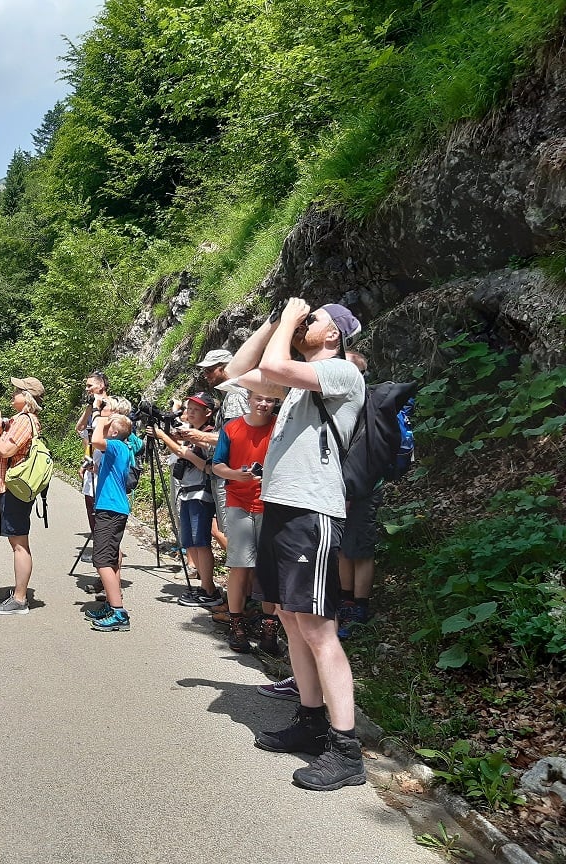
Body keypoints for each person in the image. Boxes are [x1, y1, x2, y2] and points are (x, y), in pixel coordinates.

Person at [225, 299, 367, 791]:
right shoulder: (297, 381)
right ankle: (310, 721)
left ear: (336, 334)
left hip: (313, 511)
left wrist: (288, 322)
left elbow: (272, 366)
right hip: (282, 507)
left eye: (317, 319)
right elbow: (241, 370)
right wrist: (271, 323)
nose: (308, 323)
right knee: (289, 616)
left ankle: (346, 750)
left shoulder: (344, 373)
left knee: (319, 628)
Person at [210, 387, 283, 653]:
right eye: (259, 398)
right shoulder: (232, 428)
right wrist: (234, 474)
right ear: (249, 399)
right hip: (238, 501)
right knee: (239, 565)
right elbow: (216, 463)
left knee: (268, 568)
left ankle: (269, 629)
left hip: (271, 504)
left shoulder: (280, 425)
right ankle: (236, 625)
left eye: (270, 400)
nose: (264, 404)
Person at [153, 393, 221, 607]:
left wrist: (163, 437)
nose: (190, 412)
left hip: (201, 492)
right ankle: (204, 587)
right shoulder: (195, 434)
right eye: (188, 408)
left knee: (201, 542)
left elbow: (202, 464)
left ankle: (209, 590)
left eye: (196, 409)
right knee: (191, 541)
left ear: (208, 413)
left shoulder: (207, 435)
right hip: (189, 491)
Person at [0, 376, 46, 615]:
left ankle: (20, 599)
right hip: (14, 488)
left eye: (18, 391)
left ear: (27, 397)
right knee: (18, 542)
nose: (13, 394)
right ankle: (18, 593)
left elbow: (7, 449)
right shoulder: (24, 419)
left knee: (19, 544)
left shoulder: (24, 420)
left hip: (14, 488)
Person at [338, 351, 379, 639]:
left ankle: (358, 607)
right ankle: (346, 601)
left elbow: (361, 453)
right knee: (344, 547)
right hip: (344, 486)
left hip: (363, 488)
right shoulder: (346, 404)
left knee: (360, 549)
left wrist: (350, 491)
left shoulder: (365, 405)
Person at [84, 407, 135, 631]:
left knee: (102, 560)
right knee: (111, 558)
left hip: (111, 509)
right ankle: (111, 604)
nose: (103, 430)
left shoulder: (115, 445)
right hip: (113, 507)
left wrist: (103, 418)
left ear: (114, 433)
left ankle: (118, 612)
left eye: (108, 428)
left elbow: (95, 440)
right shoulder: (120, 449)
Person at [197, 348, 249, 553]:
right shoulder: (230, 396)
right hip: (227, 473)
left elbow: (234, 437)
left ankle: (244, 580)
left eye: (209, 370)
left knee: (232, 532)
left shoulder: (235, 396)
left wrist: (200, 436)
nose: (206, 376)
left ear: (225, 368)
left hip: (229, 474)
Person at [75, 371, 110, 550]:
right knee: (91, 508)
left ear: (101, 385)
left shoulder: (111, 406)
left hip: (106, 465)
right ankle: (99, 550)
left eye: (90, 385)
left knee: (102, 511)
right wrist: (86, 459)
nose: (87, 389)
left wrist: (98, 409)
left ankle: (106, 551)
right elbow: (81, 430)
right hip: (92, 463)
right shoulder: (93, 409)